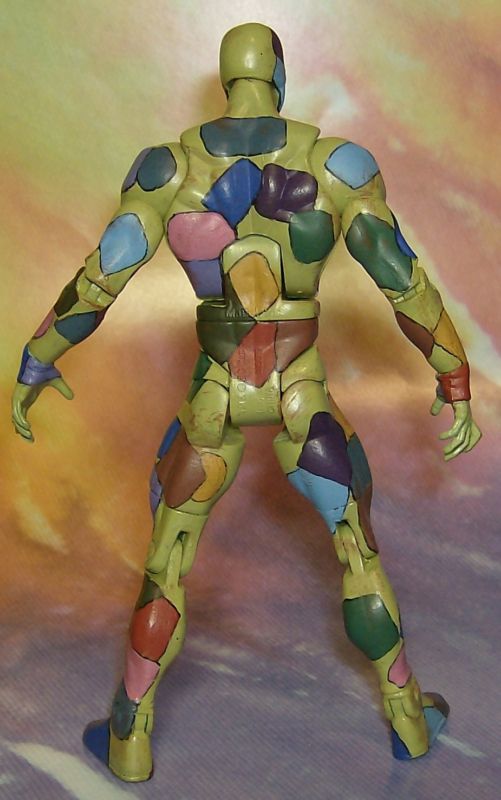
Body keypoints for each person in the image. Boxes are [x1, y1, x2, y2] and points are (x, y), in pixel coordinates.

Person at [12, 22, 481, 783]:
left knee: (167, 560)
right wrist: (452, 373)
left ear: (227, 80)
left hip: (216, 392)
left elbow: (102, 275)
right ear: (279, 76)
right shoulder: (334, 165)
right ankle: (408, 720)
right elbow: (401, 278)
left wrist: (39, 356)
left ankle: (130, 738)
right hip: (300, 391)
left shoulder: (171, 169)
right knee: (354, 547)